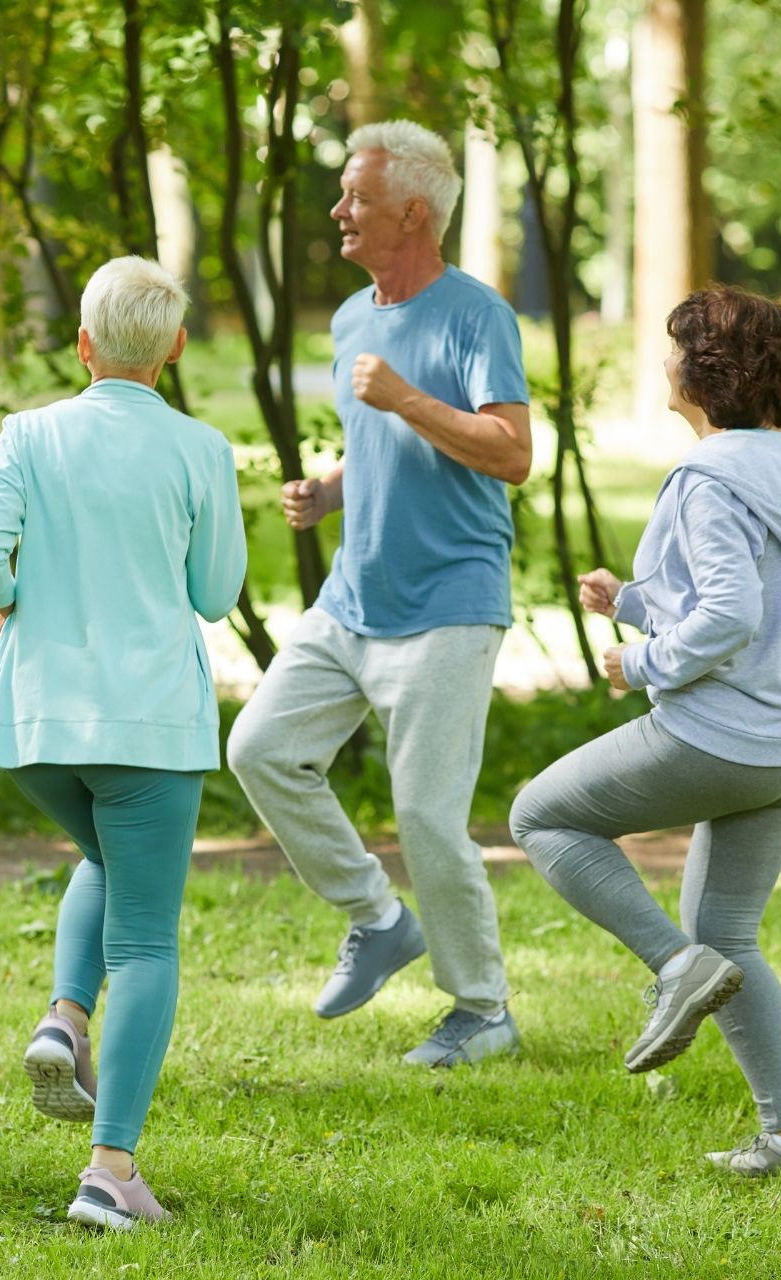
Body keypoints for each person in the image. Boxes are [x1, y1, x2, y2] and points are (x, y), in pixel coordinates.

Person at [508, 286, 781, 1183]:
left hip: (725, 738)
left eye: (670, 350)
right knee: (732, 936)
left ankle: (673, 967)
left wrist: (642, 657)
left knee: (541, 816)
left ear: (702, 373)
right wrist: (630, 598)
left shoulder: (706, 479)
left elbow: (731, 613)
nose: (662, 363)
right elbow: (764, 591)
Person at [225, 121, 532, 1067]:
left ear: (412, 212)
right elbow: (383, 445)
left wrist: (402, 399)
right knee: (262, 748)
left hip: (450, 600)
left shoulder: (478, 315)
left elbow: (511, 452)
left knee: (430, 817)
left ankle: (484, 1011)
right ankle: (376, 915)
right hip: (355, 598)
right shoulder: (355, 319)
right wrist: (330, 486)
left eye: (354, 197)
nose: (338, 211)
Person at [0, 257, 246, 1230]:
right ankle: (110, 1170)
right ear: (172, 350)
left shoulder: (30, 434)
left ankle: (65, 1015)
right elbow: (215, 593)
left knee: (100, 856)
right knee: (148, 938)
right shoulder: (200, 447)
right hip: (149, 725)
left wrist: (9, 599)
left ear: (83, 345)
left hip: (37, 723)